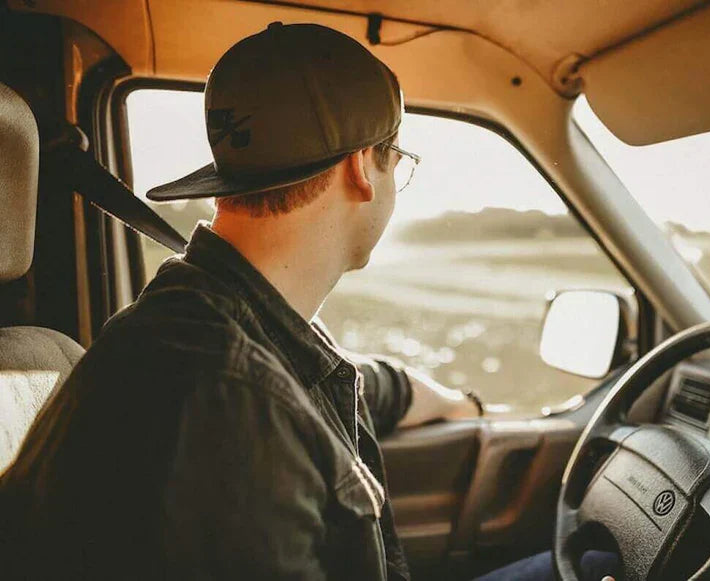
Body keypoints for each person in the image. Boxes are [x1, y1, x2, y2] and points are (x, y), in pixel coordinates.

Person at [0, 22, 618, 581]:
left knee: (586, 564)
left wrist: (459, 403)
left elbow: (348, 384)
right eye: (395, 158)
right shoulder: (230, 408)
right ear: (360, 170)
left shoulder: (212, 316)